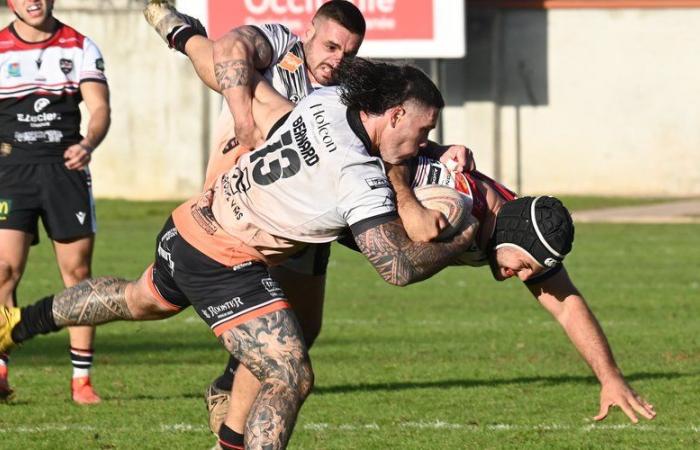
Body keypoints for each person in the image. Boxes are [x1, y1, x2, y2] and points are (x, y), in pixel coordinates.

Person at [0, 57, 478, 450]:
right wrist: (461, 238)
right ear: (393, 115)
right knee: (290, 372)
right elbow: (395, 266)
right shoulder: (357, 174)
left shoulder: (329, 100)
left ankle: (16, 322)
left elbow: (385, 150)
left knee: (137, 298)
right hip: (225, 256)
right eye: (423, 129)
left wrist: (423, 155)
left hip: (195, 219)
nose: (423, 141)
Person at [142, 0, 472, 433]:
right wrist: (242, 115)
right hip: (245, 202)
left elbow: (388, 128)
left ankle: (229, 394)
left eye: (349, 54)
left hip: (308, 213)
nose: (337, 61)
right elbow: (229, 51)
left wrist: (434, 149)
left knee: (304, 326)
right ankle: (179, 33)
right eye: (331, 47)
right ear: (310, 31)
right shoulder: (281, 48)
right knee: (284, 359)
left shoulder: (345, 93)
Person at [0, 0, 110, 403]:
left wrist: (88, 143)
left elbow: (99, 108)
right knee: (3, 271)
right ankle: (0, 369)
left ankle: (81, 381)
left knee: (77, 273)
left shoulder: (80, 46)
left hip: (65, 171)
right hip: (11, 171)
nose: (33, 1)